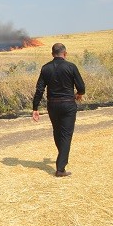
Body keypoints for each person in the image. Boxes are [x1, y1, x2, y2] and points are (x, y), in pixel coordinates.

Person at [32, 43, 85, 177]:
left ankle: (62, 155)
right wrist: (78, 94)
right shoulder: (71, 67)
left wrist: (35, 108)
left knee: (57, 131)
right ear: (65, 53)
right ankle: (60, 169)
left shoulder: (45, 68)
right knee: (66, 135)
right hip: (68, 104)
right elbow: (81, 87)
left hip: (53, 105)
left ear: (52, 54)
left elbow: (39, 89)